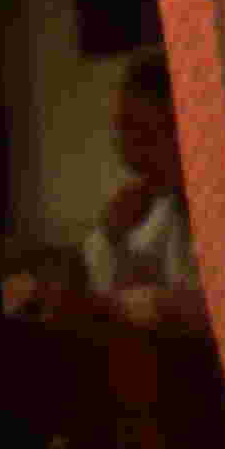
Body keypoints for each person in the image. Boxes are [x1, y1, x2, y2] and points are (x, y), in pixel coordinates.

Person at [78, 45, 195, 317]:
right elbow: (102, 287)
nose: (128, 154)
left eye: (143, 133)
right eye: (122, 130)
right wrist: (110, 234)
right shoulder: (162, 211)